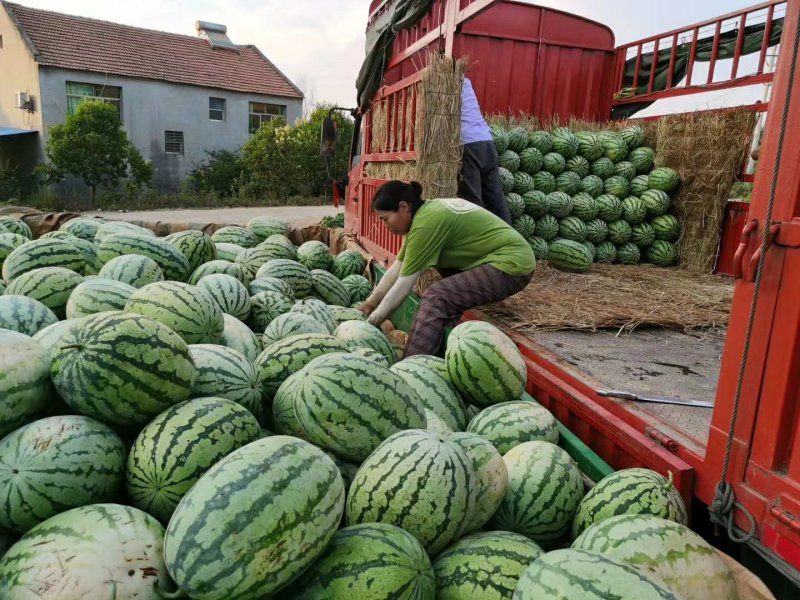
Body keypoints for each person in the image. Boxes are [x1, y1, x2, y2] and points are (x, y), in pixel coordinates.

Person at [359, 180, 535, 356]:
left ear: (403, 207)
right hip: (493, 260)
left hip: (512, 264)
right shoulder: (423, 216)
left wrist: (370, 323)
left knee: (436, 297)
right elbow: (397, 269)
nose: (385, 226)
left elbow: (404, 286)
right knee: (441, 281)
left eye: (385, 219)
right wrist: (369, 304)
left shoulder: (427, 223)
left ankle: (412, 363)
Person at [458, 77, 511, 224]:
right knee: (496, 197)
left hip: (468, 144)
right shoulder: (466, 81)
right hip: (487, 141)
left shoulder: (446, 81)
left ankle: (481, 240)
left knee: (473, 199)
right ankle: (507, 238)